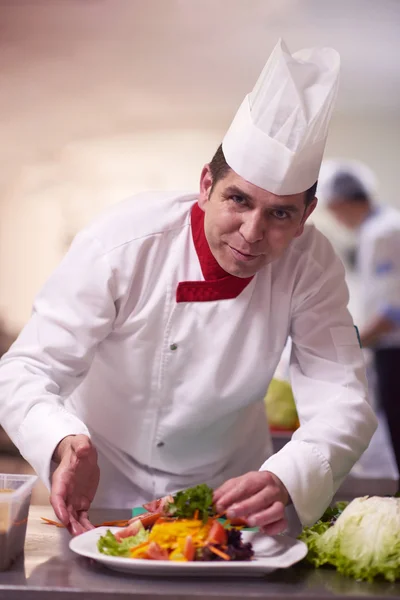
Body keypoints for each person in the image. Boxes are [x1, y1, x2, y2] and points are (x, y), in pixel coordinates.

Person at [0, 40, 377, 536]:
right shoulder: (122, 243)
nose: (252, 231)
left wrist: (287, 476)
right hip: (103, 494)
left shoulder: (312, 264)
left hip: (231, 498)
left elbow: (342, 397)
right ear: (205, 185)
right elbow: (27, 367)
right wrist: (63, 440)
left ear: (306, 215)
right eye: (238, 200)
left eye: (280, 213)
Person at [318, 159, 400, 479]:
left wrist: (346, 346)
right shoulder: (376, 230)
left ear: (341, 204)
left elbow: (392, 312)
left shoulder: (384, 232)